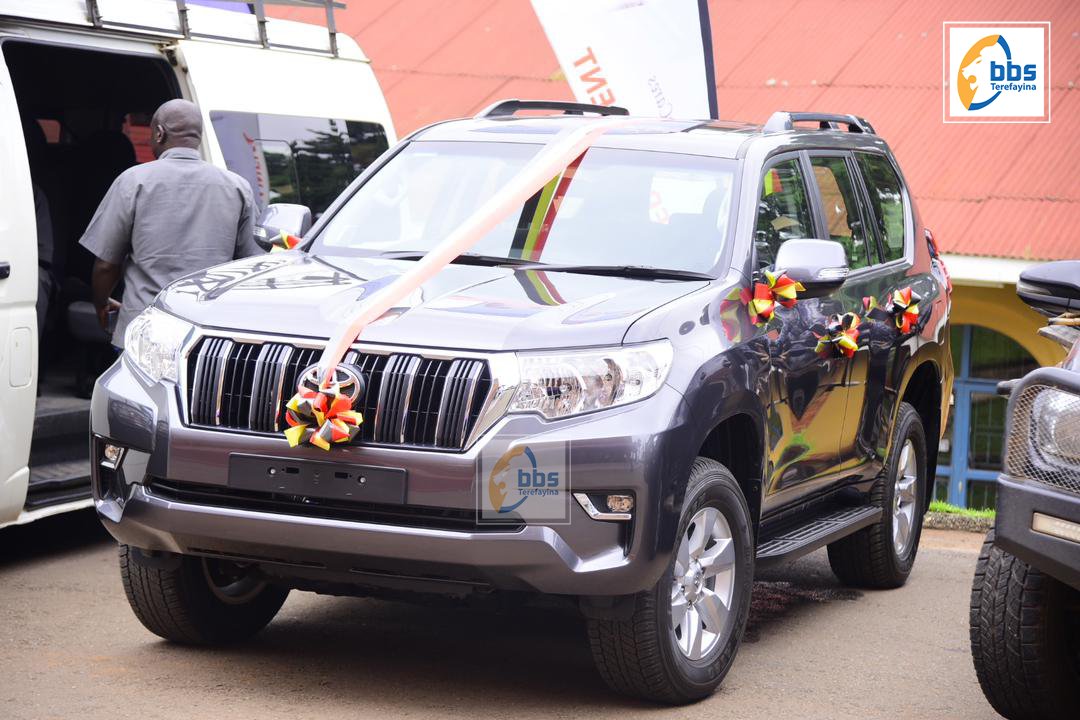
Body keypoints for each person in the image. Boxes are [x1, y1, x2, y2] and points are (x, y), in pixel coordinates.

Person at [79, 99, 262, 347]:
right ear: (197, 136)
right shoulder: (238, 187)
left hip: (142, 332)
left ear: (159, 133)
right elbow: (250, 265)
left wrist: (101, 304)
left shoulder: (133, 181)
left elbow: (105, 266)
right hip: (207, 336)